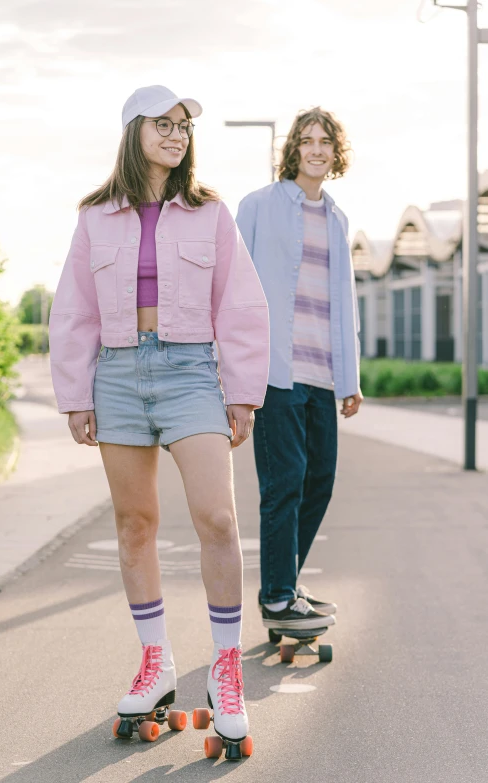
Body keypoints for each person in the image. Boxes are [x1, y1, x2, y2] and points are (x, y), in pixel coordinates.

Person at [49, 85, 269, 746]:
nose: (177, 135)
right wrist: (75, 393)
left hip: (191, 371)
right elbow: (74, 309)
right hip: (115, 375)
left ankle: (225, 669)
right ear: (132, 132)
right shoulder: (94, 217)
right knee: (134, 522)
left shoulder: (210, 212)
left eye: (183, 126)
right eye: (163, 124)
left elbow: (240, 303)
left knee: (219, 518)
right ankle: (156, 660)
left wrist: (242, 388)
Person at [236, 107, 362, 635]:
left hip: (322, 373)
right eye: (306, 140)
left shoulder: (337, 218)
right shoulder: (259, 206)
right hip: (275, 371)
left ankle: (284, 584)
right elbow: (232, 286)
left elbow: (344, 302)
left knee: (320, 481)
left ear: (336, 153)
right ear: (293, 150)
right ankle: (279, 597)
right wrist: (232, 370)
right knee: (285, 482)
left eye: (325, 142)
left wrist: (350, 379)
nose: (315, 149)